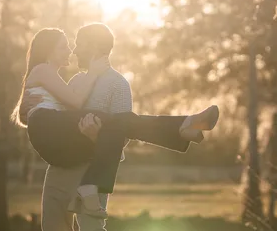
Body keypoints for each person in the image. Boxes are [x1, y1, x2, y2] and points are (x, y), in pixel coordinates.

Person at [18, 23, 210, 231]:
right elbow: (58, 122)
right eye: (69, 44)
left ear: (93, 47)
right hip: (60, 170)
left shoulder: (117, 84)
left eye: (78, 44)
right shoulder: (76, 81)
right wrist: (31, 110)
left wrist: (94, 138)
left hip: (92, 170)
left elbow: (118, 140)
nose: (74, 51)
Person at [11, 27, 218, 219]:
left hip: (52, 137)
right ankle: (183, 126)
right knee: (119, 120)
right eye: (63, 46)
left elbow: (33, 113)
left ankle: (182, 128)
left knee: (118, 122)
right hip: (47, 128)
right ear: (49, 51)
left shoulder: (53, 77)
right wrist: (93, 73)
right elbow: (74, 103)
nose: (70, 51)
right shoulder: (43, 70)